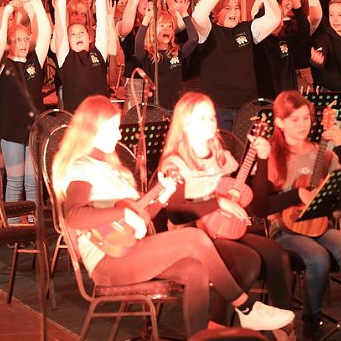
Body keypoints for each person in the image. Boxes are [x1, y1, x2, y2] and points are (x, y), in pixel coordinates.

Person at [51, 95, 294, 337]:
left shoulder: (112, 168)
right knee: (192, 238)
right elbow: (73, 215)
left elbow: (139, 219)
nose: (118, 135)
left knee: (196, 269)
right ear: (92, 129)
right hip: (107, 261)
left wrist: (162, 198)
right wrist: (122, 210)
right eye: (113, 129)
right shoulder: (81, 167)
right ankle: (246, 307)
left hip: (129, 249)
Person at [159, 92, 296, 336]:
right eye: (202, 118)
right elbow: (177, 212)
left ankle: (283, 329)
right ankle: (217, 327)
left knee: (277, 254)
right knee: (248, 260)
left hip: (224, 229)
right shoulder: (175, 161)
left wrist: (262, 159)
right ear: (185, 123)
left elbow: (256, 203)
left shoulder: (220, 154)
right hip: (192, 235)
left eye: (212, 117)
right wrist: (217, 204)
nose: (210, 123)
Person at [250, 90, 341, 339]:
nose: (303, 124)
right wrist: (296, 196)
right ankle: (312, 318)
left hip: (321, 225)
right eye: (295, 119)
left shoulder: (321, 152)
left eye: (306, 118)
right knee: (317, 258)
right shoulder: (271, 154)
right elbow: (261, 206)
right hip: (285, 228)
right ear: (280, 122)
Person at [0, 0, 52, 220]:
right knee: (15, 183)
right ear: (9, 43)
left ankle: (35, 225)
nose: (23, 43)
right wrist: (6, 14)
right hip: (12, 132)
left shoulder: (34, 63)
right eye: (17, 40)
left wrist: (34, 2)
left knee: (32, 182)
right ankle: (14, 225)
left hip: (32, 131)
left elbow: (46, 32)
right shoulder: (2, 63)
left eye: (26, 39)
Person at [191, 0, 281, 130]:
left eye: (237, 8)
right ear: (216, 12)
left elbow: (274, 19)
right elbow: (198, 15)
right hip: (217, 107)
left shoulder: (248, 28)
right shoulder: (206, 32)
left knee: (247, 150)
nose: (234, 12)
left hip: (247, 105)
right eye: (228, 8)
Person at [52, 0, 110, 112]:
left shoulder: (98, 53)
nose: (78, 35)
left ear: (90, 37)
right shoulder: (66, 57)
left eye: (82, 32)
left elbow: (103, 25)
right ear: (68, 41)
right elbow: (60, 27)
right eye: (73, 34)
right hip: (78, 122)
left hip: (101, 119)